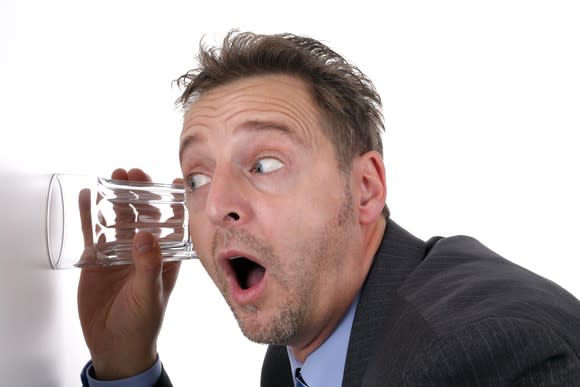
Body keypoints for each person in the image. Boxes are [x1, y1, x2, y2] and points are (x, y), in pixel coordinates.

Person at [79, 30, 580, 386]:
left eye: (265, 164)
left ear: (365, 188)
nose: (218, 206)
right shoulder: (301, 353)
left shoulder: (476, 357)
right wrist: (126, 364)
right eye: (198, 177)